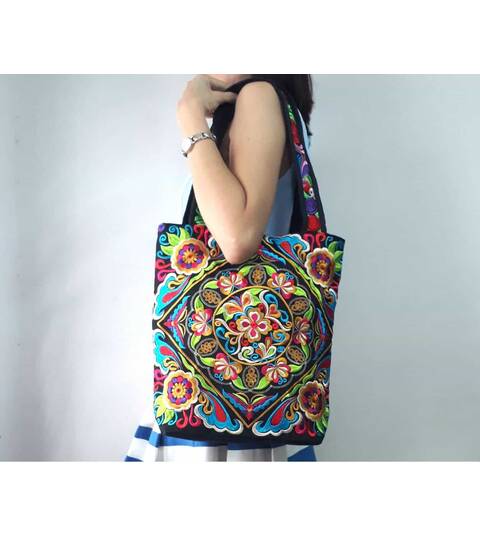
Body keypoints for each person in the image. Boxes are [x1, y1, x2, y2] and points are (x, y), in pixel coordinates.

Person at [125, 74, 318, 462]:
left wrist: (190, 116)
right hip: (247, 388)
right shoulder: (262, 103)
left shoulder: (258, 97)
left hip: (220, 399)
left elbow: (236, 239)